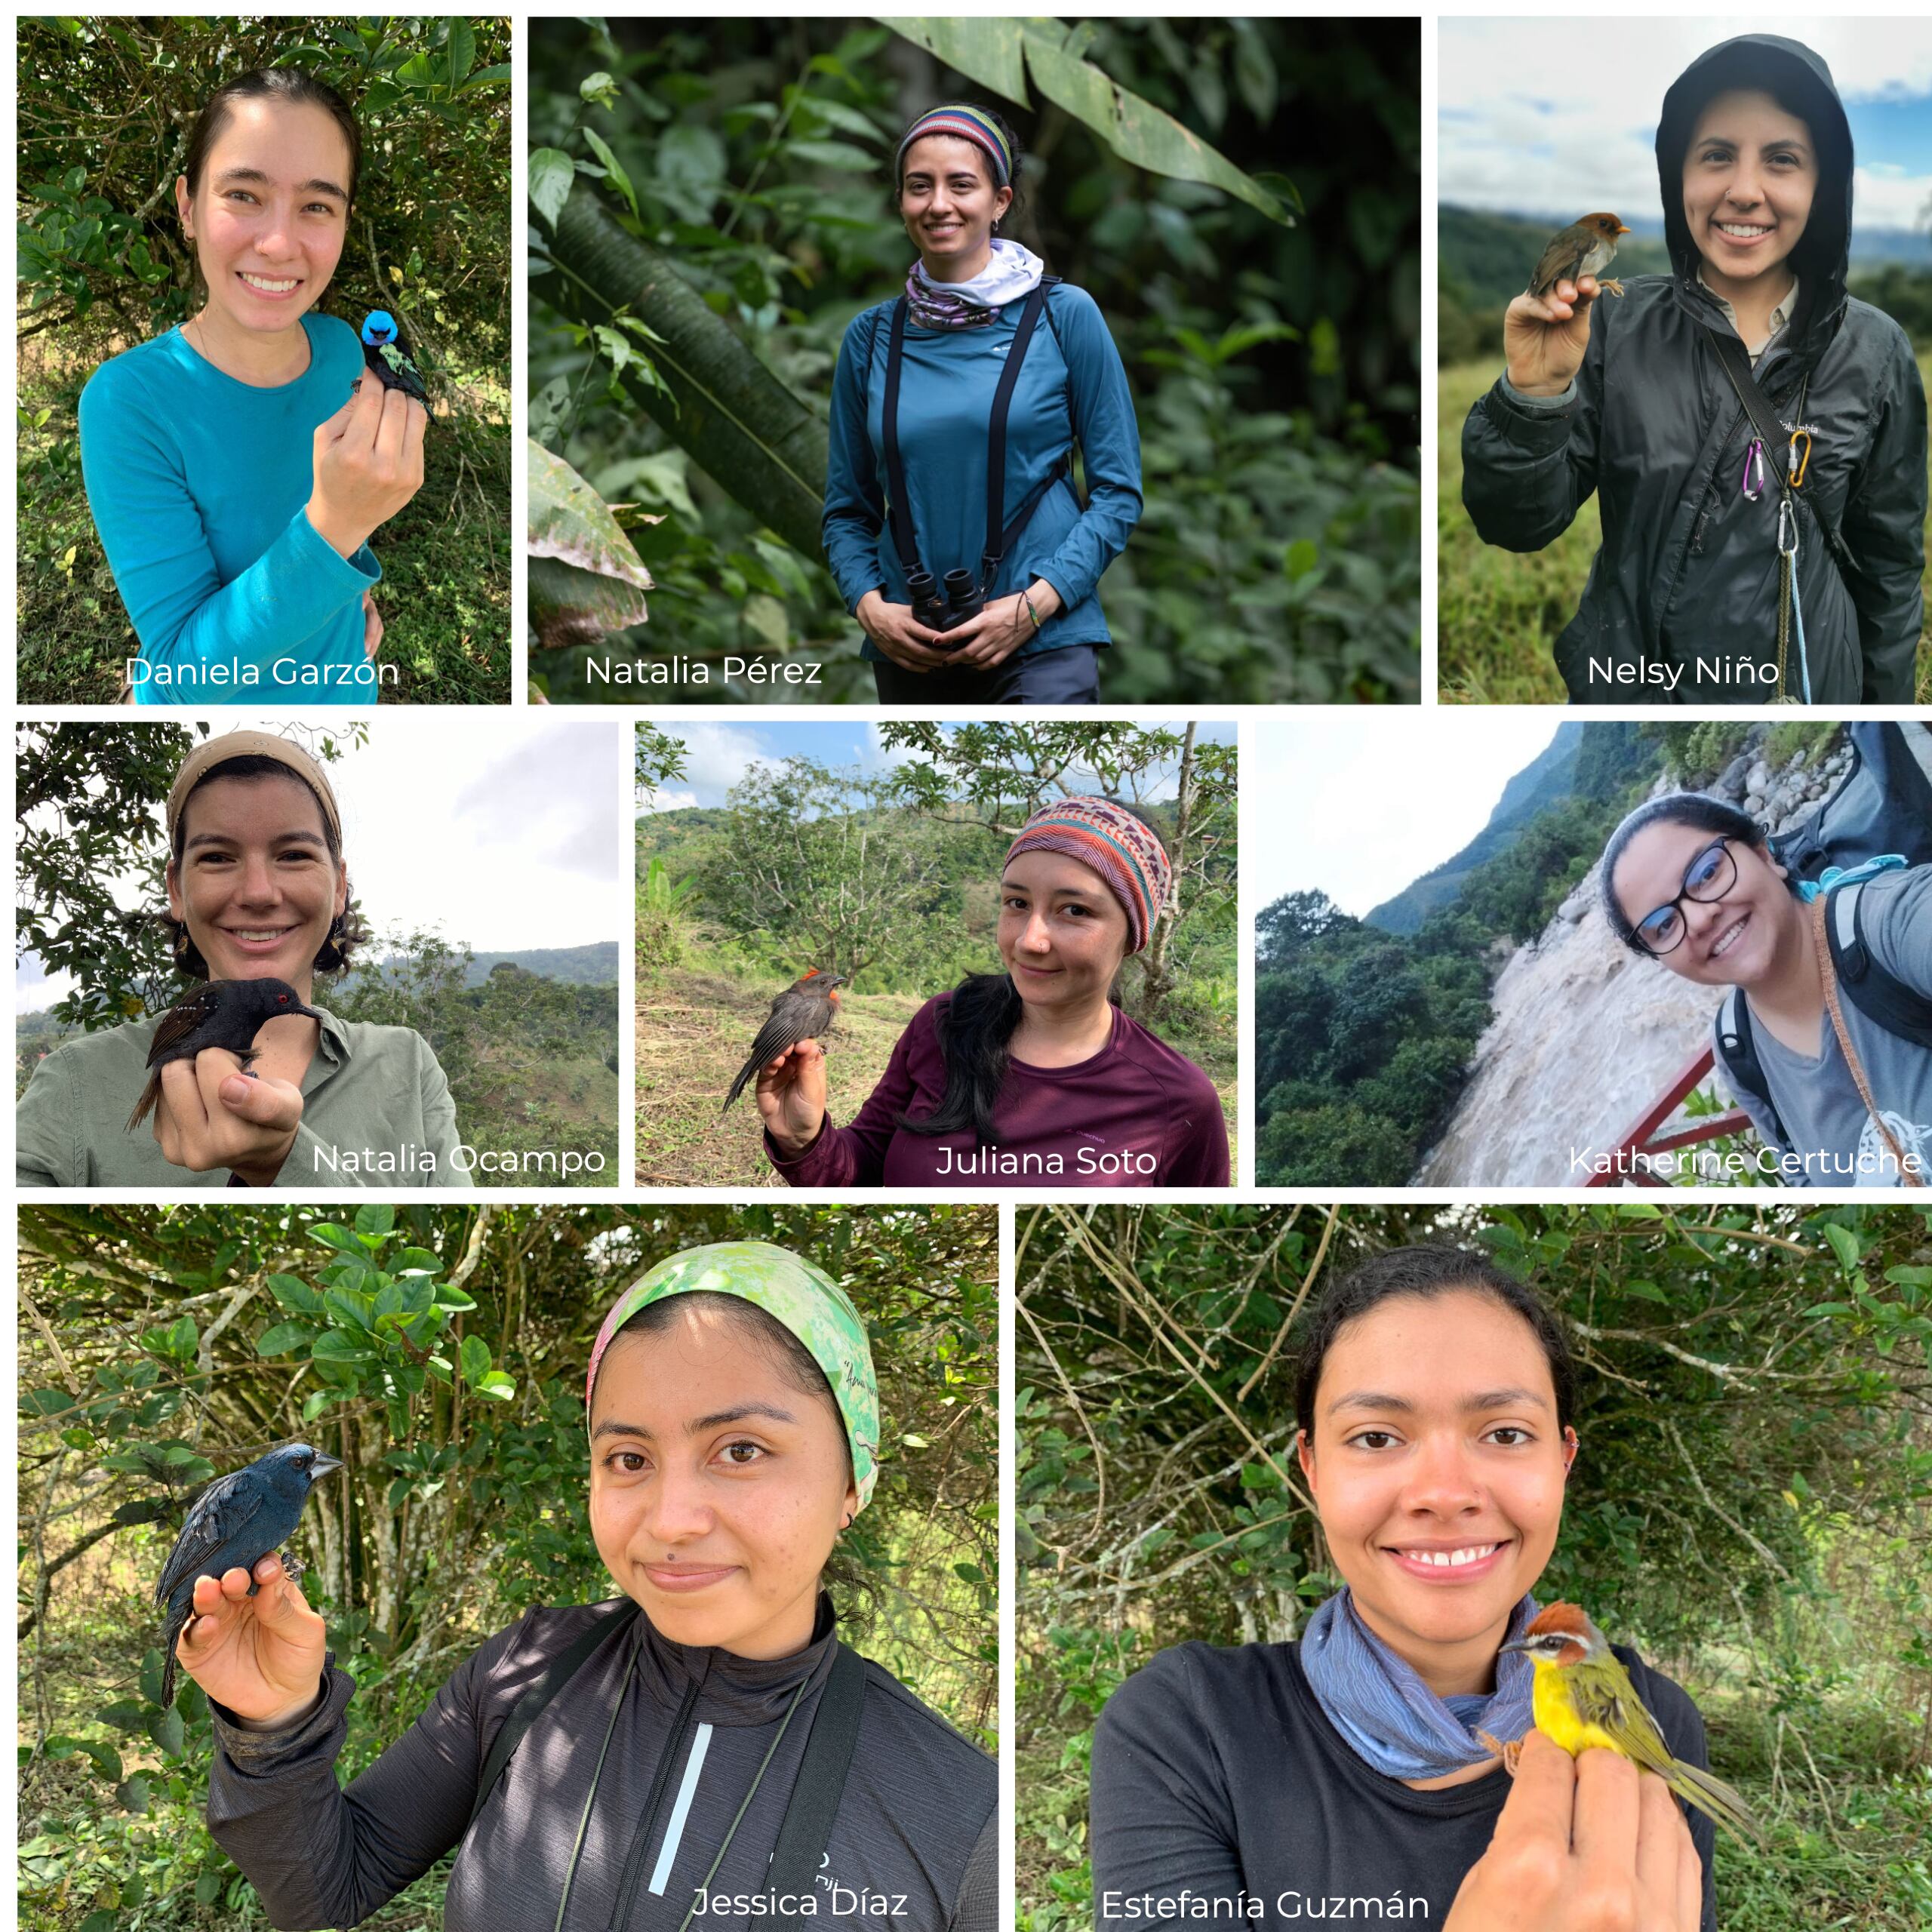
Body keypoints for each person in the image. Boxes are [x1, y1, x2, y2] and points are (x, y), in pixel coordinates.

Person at [181, 1242, 998, 1931]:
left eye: (741, 1449)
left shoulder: (959, 1815)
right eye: (629, 1459)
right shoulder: (525, 1672)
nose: (671, 1519)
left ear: (853, 1479)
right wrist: (274, 1725)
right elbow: (329, 1888)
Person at [1091, 1245, 1718, 1932]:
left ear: (1563, 1461)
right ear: (1312, 1466)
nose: (1445, 1496)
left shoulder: (1659, 1713)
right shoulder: (1187, 1727)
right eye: (1377, 1437)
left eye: (1507, 1432)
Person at [1462, 35, 1927, 706]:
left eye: (1782, 159)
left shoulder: (1877, 351)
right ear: (1677, 175)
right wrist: (1533, 396)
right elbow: (1515, 525)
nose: (1743, 191)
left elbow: (1889, 571)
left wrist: (1887, 723)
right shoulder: (1612, 325)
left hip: (1807, 695)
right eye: (1716, 156)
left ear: (1823, 185)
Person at [78, 67, 428, 706]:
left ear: (345, 222)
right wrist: (335, 527)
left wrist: (350, 592)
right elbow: (183, 675)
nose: (277, 242)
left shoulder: (342, 348)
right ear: (187, 206)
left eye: (317, 206)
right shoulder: (128, 402)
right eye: (243, 194)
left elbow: (327, 522)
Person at [16, 731, 463, 1187]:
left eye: (293, 855)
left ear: (339, 887)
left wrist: (284, 1163)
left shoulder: (407, 1064)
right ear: (176, 890)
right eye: (216, 857)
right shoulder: (75, 1081)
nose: (258, 893)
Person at [823, 102, 1143, 705]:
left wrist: (1036, 603)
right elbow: (847, 510)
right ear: (901, 202)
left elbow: (1118, 492)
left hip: (1042, 638)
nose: (939, 203)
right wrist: (870, 607)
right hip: (911, 643)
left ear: (1000, 201)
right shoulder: (871, 338)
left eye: (960, 184)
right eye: (920, 186)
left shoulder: (1064, 315)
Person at [755, 798, 1228, 1186]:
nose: (1029, 941)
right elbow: (866, 1164)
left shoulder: (1179, 1101)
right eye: (1017, 903)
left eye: (1075, 911)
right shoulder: (943, 1023)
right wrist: (805, 1139)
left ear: (1133, 934)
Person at [1600, 793, 1931, 1186]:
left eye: (1707, 873)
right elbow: (1805, 1181)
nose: (1700, 918)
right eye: (1664, 926)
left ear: (1763, 854)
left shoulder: (1890, 921)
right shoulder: (1737, 1048)